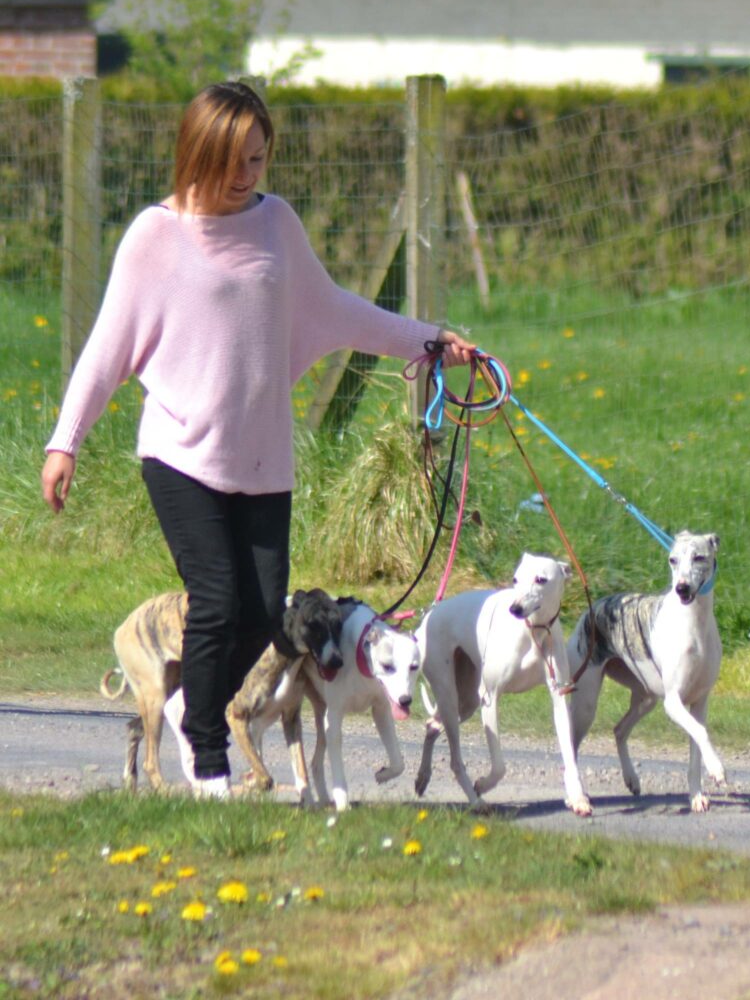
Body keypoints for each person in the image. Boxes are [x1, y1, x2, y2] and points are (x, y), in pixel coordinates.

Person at [41, 81, 474, 798]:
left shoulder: (277, 225)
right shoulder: (155, 236)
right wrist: (66, 441)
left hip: (265, 461)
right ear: (197, 153)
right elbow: (105, 348)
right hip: (180, 454)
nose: (246, 176)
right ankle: (208, 760)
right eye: (233, 160)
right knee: (214, 598)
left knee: (263, 614)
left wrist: (430, 342)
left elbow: (336, 310)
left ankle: (190, 707)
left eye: (258, 159)